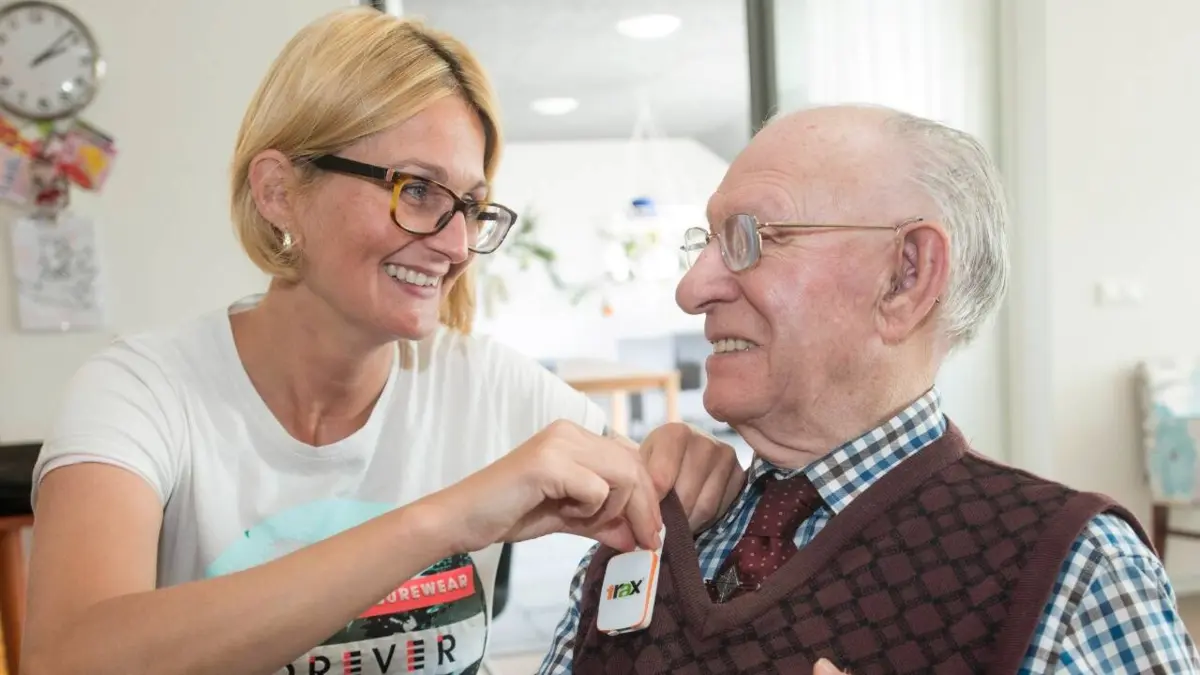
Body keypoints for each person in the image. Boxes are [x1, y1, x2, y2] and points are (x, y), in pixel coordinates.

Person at [20, 8, 743, 675]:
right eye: (417, 190)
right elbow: (68, 658)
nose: (455, 245)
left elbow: (660, 498)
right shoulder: (141, 392)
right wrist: (444, 520)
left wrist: (689, 467)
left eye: (470, 205)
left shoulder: (489, 386)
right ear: (278, 192)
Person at [539, 105, 1200, 675]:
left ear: (906, 276)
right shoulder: (646, 534)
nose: (692, 289)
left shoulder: (1076, 572)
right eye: (707, 241)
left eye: (750, 238)